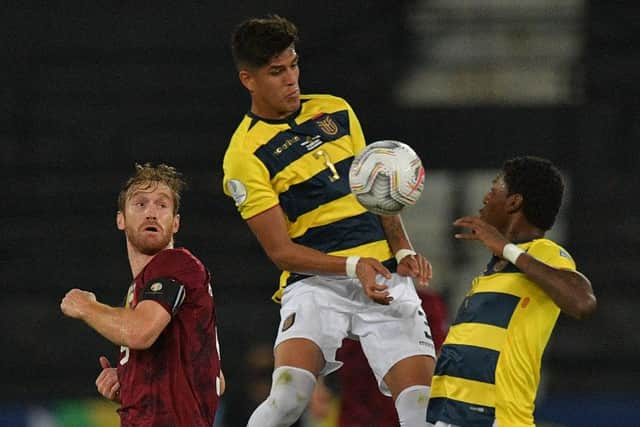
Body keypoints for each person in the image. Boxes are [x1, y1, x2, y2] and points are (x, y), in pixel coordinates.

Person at [223, 14, 436, 427]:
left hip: (384, 276)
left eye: (294, 65)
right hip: (316, 283)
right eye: (276, 72)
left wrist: (402, 248)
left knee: (421, 407)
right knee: (287, 398)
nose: (291, 80)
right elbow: (281, 252)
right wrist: (353, 267)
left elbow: (380, 198)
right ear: (249, 79)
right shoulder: (243, 156)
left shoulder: (336, 111)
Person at [426, 156, 597, 427]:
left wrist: (506, 248)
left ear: (514, 202)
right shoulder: (490, 273)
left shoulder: (544, 252)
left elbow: (582, 302)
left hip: (495, 417)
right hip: (451, 414)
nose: (484, 198)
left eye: (493, 189)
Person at [60, 163, 223, 427]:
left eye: (162, 205)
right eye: (140, 204)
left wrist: (86, 306)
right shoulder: (140, 290)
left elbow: (139, 332)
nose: (151, 213)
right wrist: (131, 382)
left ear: (176, 223)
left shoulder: (176, 264)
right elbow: (216, 378)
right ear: (120, 219)